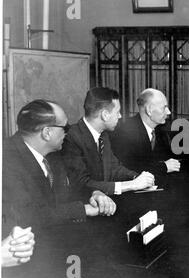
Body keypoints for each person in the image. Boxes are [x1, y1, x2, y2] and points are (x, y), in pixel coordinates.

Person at [2, 99, 117, 234]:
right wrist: (83, 209)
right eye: (65, 128)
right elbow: (27, 217)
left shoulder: (53, 154)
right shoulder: (6, 161)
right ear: (47, 133)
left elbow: (69, 190)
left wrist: (93, 194)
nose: (68, 132)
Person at [62, 87, 155, 198]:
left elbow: (114, 168)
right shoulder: (72, 137)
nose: (120, 116)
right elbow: (82, 184)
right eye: (118, 112)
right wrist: (131, 185)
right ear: (105, 115)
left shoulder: (103, 135)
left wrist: (137, 177)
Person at [111, 88, 180, 182]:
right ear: (149, 110)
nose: (168, 112)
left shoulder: (161, 131)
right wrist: (164, 167)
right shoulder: (124, 131)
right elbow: (128, 168)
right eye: (164, 107)